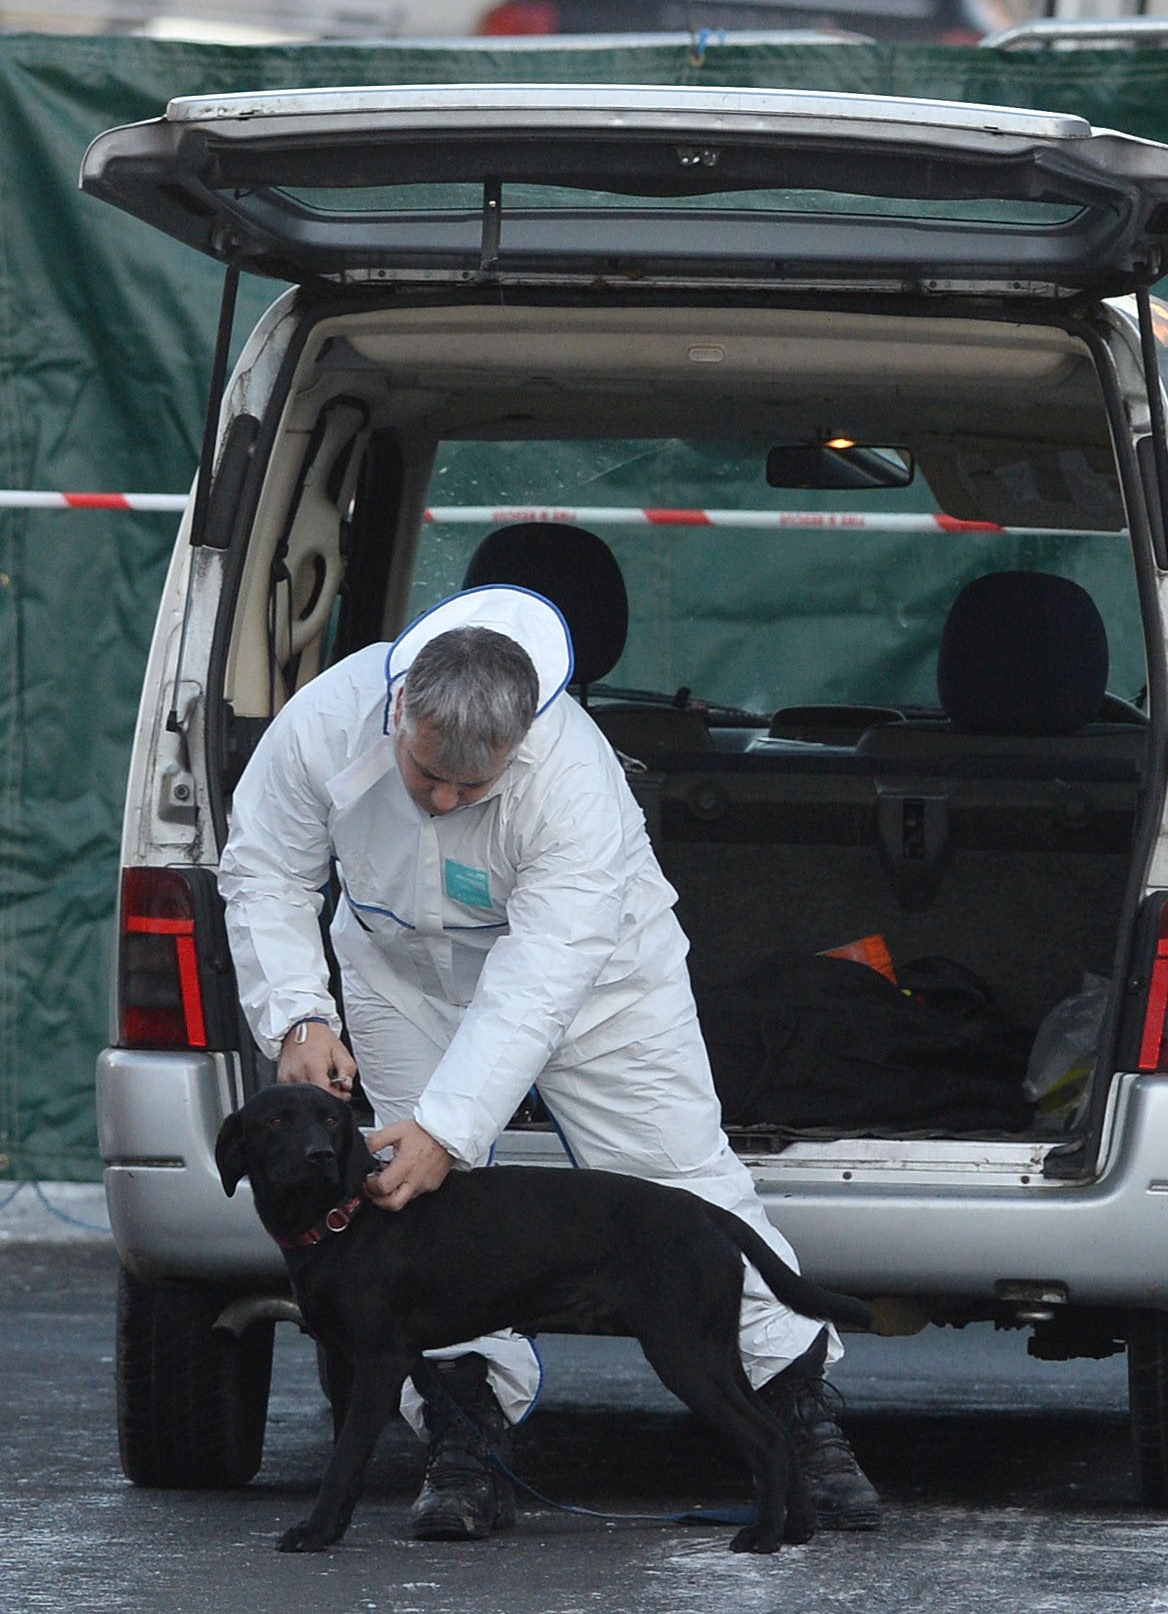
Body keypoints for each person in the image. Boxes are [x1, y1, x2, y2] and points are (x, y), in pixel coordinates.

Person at [218, 583, 881, 1540]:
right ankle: (463, 1427)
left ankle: (794, 1408)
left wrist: (452, 1124)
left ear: (523, 741)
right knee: (415, 1213)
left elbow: (535, 981)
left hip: (599, 980)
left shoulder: (574, 779)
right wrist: (296, 1016)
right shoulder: (323, 717)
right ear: (399, 709)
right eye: (425, 776)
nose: (443, 801)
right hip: (399, 969)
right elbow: (266, 869)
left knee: (678, 1177)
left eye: (470, 789)